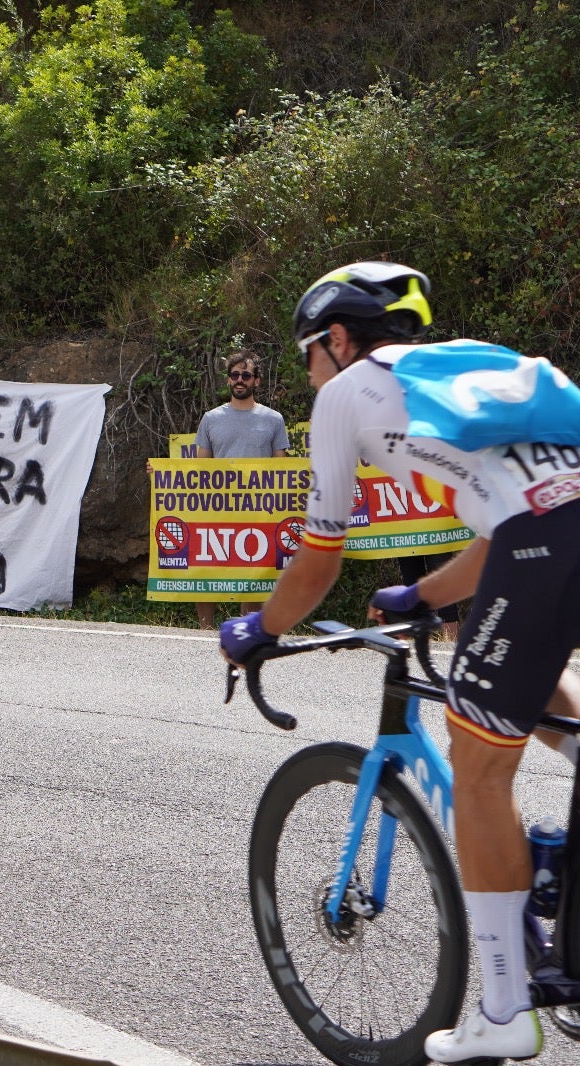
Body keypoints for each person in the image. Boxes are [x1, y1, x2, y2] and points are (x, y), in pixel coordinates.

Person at [220, 261, 580, 1062]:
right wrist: (422, 596)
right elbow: (504, 527)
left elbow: (318, 562)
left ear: (339, 340)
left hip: (544, 544)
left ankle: (500, 1009)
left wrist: (260, 627)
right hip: (553, 531)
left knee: (479, 764)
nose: (307, 366)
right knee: (508, 681)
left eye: (309, 349)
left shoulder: (344, 397)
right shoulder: (467, 367)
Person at [192, 351, 289, 627]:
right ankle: (204, 629)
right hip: (216, 507)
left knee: (253, 569)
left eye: (246, 375)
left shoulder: (274, 419)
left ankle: (247, 628)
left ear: (256, 381)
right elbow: (200, 468)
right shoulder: (210, 418)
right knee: (207, 566)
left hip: (257, 508)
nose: (239, 380)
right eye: (234, 375)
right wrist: (164, 475)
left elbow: (280, 469)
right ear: (228, 380)